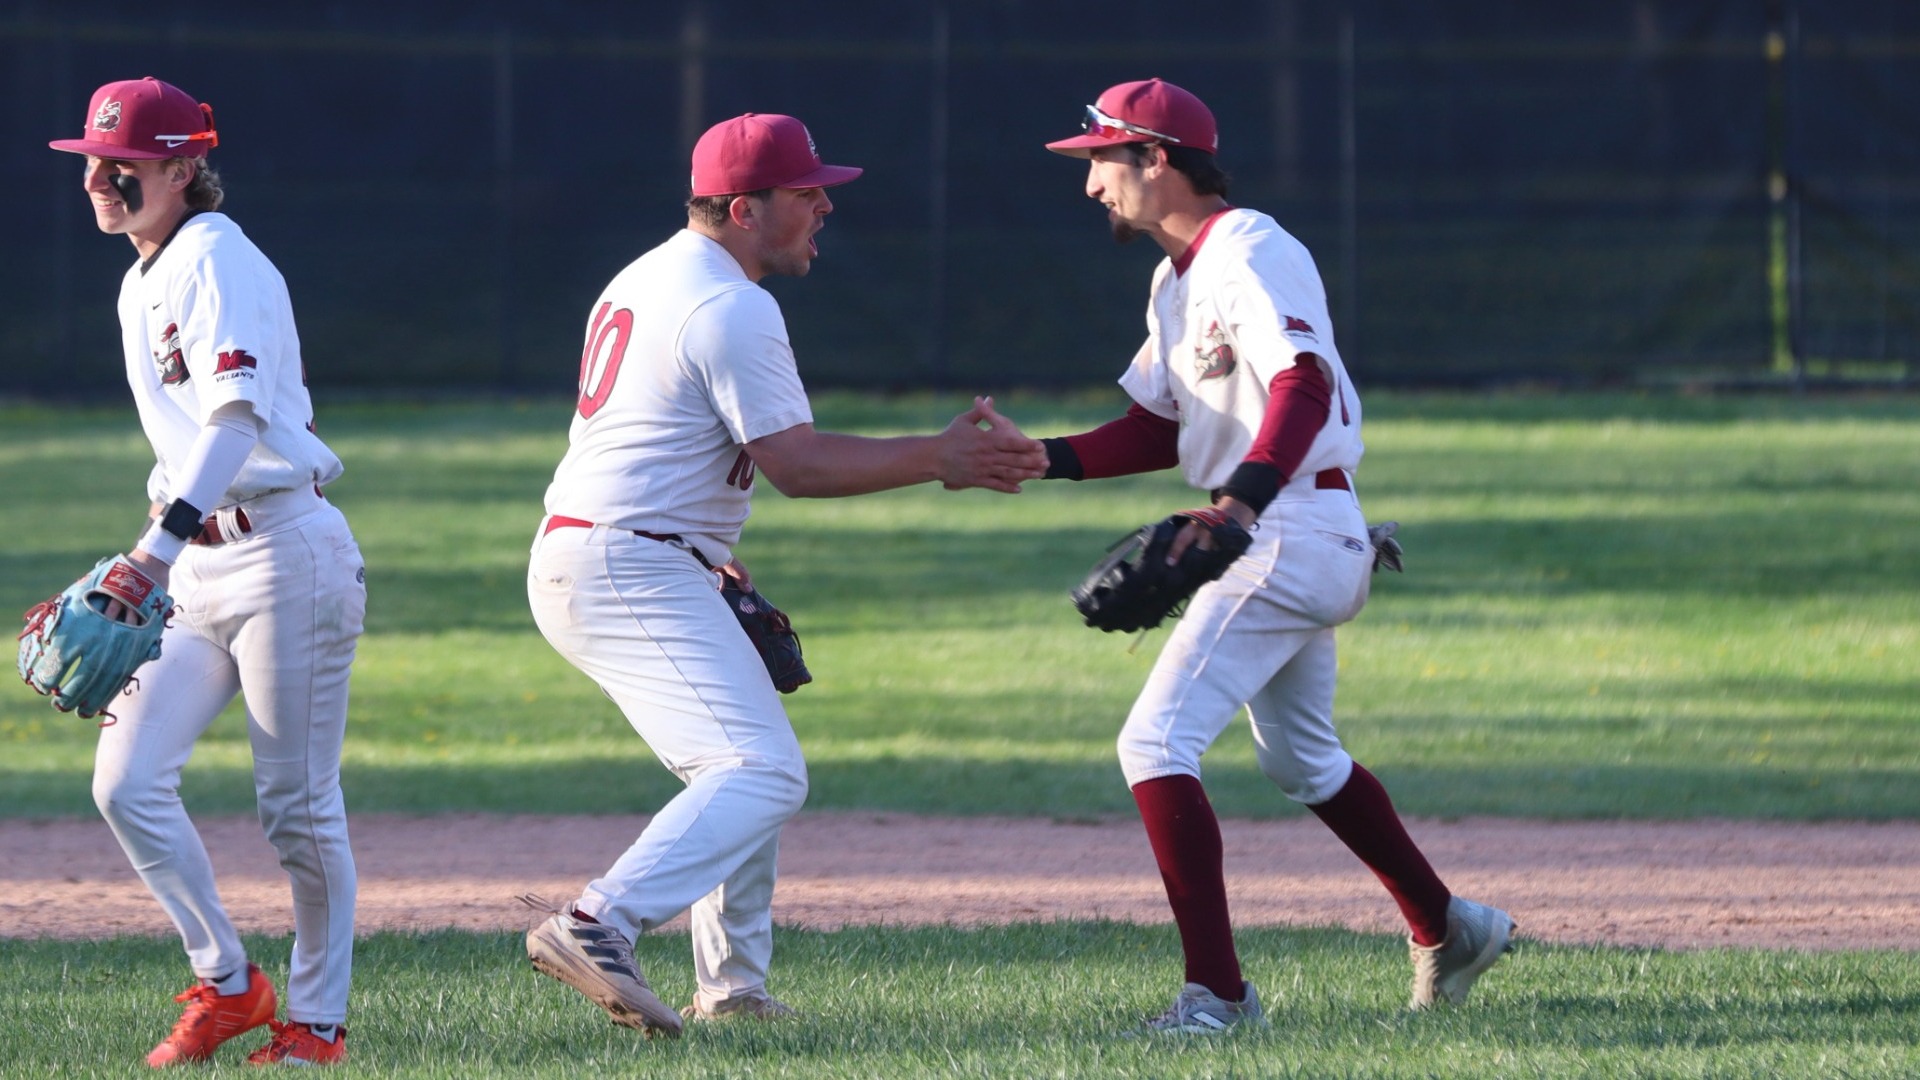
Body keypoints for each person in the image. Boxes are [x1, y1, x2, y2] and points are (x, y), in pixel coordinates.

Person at [522, 111, 1047, 1037]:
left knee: (739, 757)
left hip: (629, 549)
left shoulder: (650, 273)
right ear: (742, 208)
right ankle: (596, 924)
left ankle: (732, 991)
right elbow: (796, 465)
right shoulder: (730, 302)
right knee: (762, 769)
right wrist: (938, 457)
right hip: (622, 560)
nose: (822, 208)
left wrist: (703, 541)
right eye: (806, 194)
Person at [1035, 79, 1514, 1033]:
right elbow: (1154, 426)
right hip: (1290, 527)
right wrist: (1040, 459)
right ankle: (1448, 926)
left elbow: (1304, 380)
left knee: (1151, 743)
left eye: (1099, 161)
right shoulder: (1176, 278)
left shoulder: (1251, 246)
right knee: (1303, 758)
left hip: (1286, 524)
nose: (1090, 185)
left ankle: (1216, 995)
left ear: (1156, 158)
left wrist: (1236, 511)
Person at [48, 77, 365, 1065]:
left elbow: (234, 421)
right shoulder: (141, 272)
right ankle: (229, 982)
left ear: (185, 167)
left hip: (284, 554)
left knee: (296, 807)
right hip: (196, 561)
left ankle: (315, 1022)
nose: (101, 178)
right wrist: (141, 555)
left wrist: (157, 550)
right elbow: (189, 444)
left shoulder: (220, 260)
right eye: (92, 162)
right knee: (126, 780)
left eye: (125, 165)